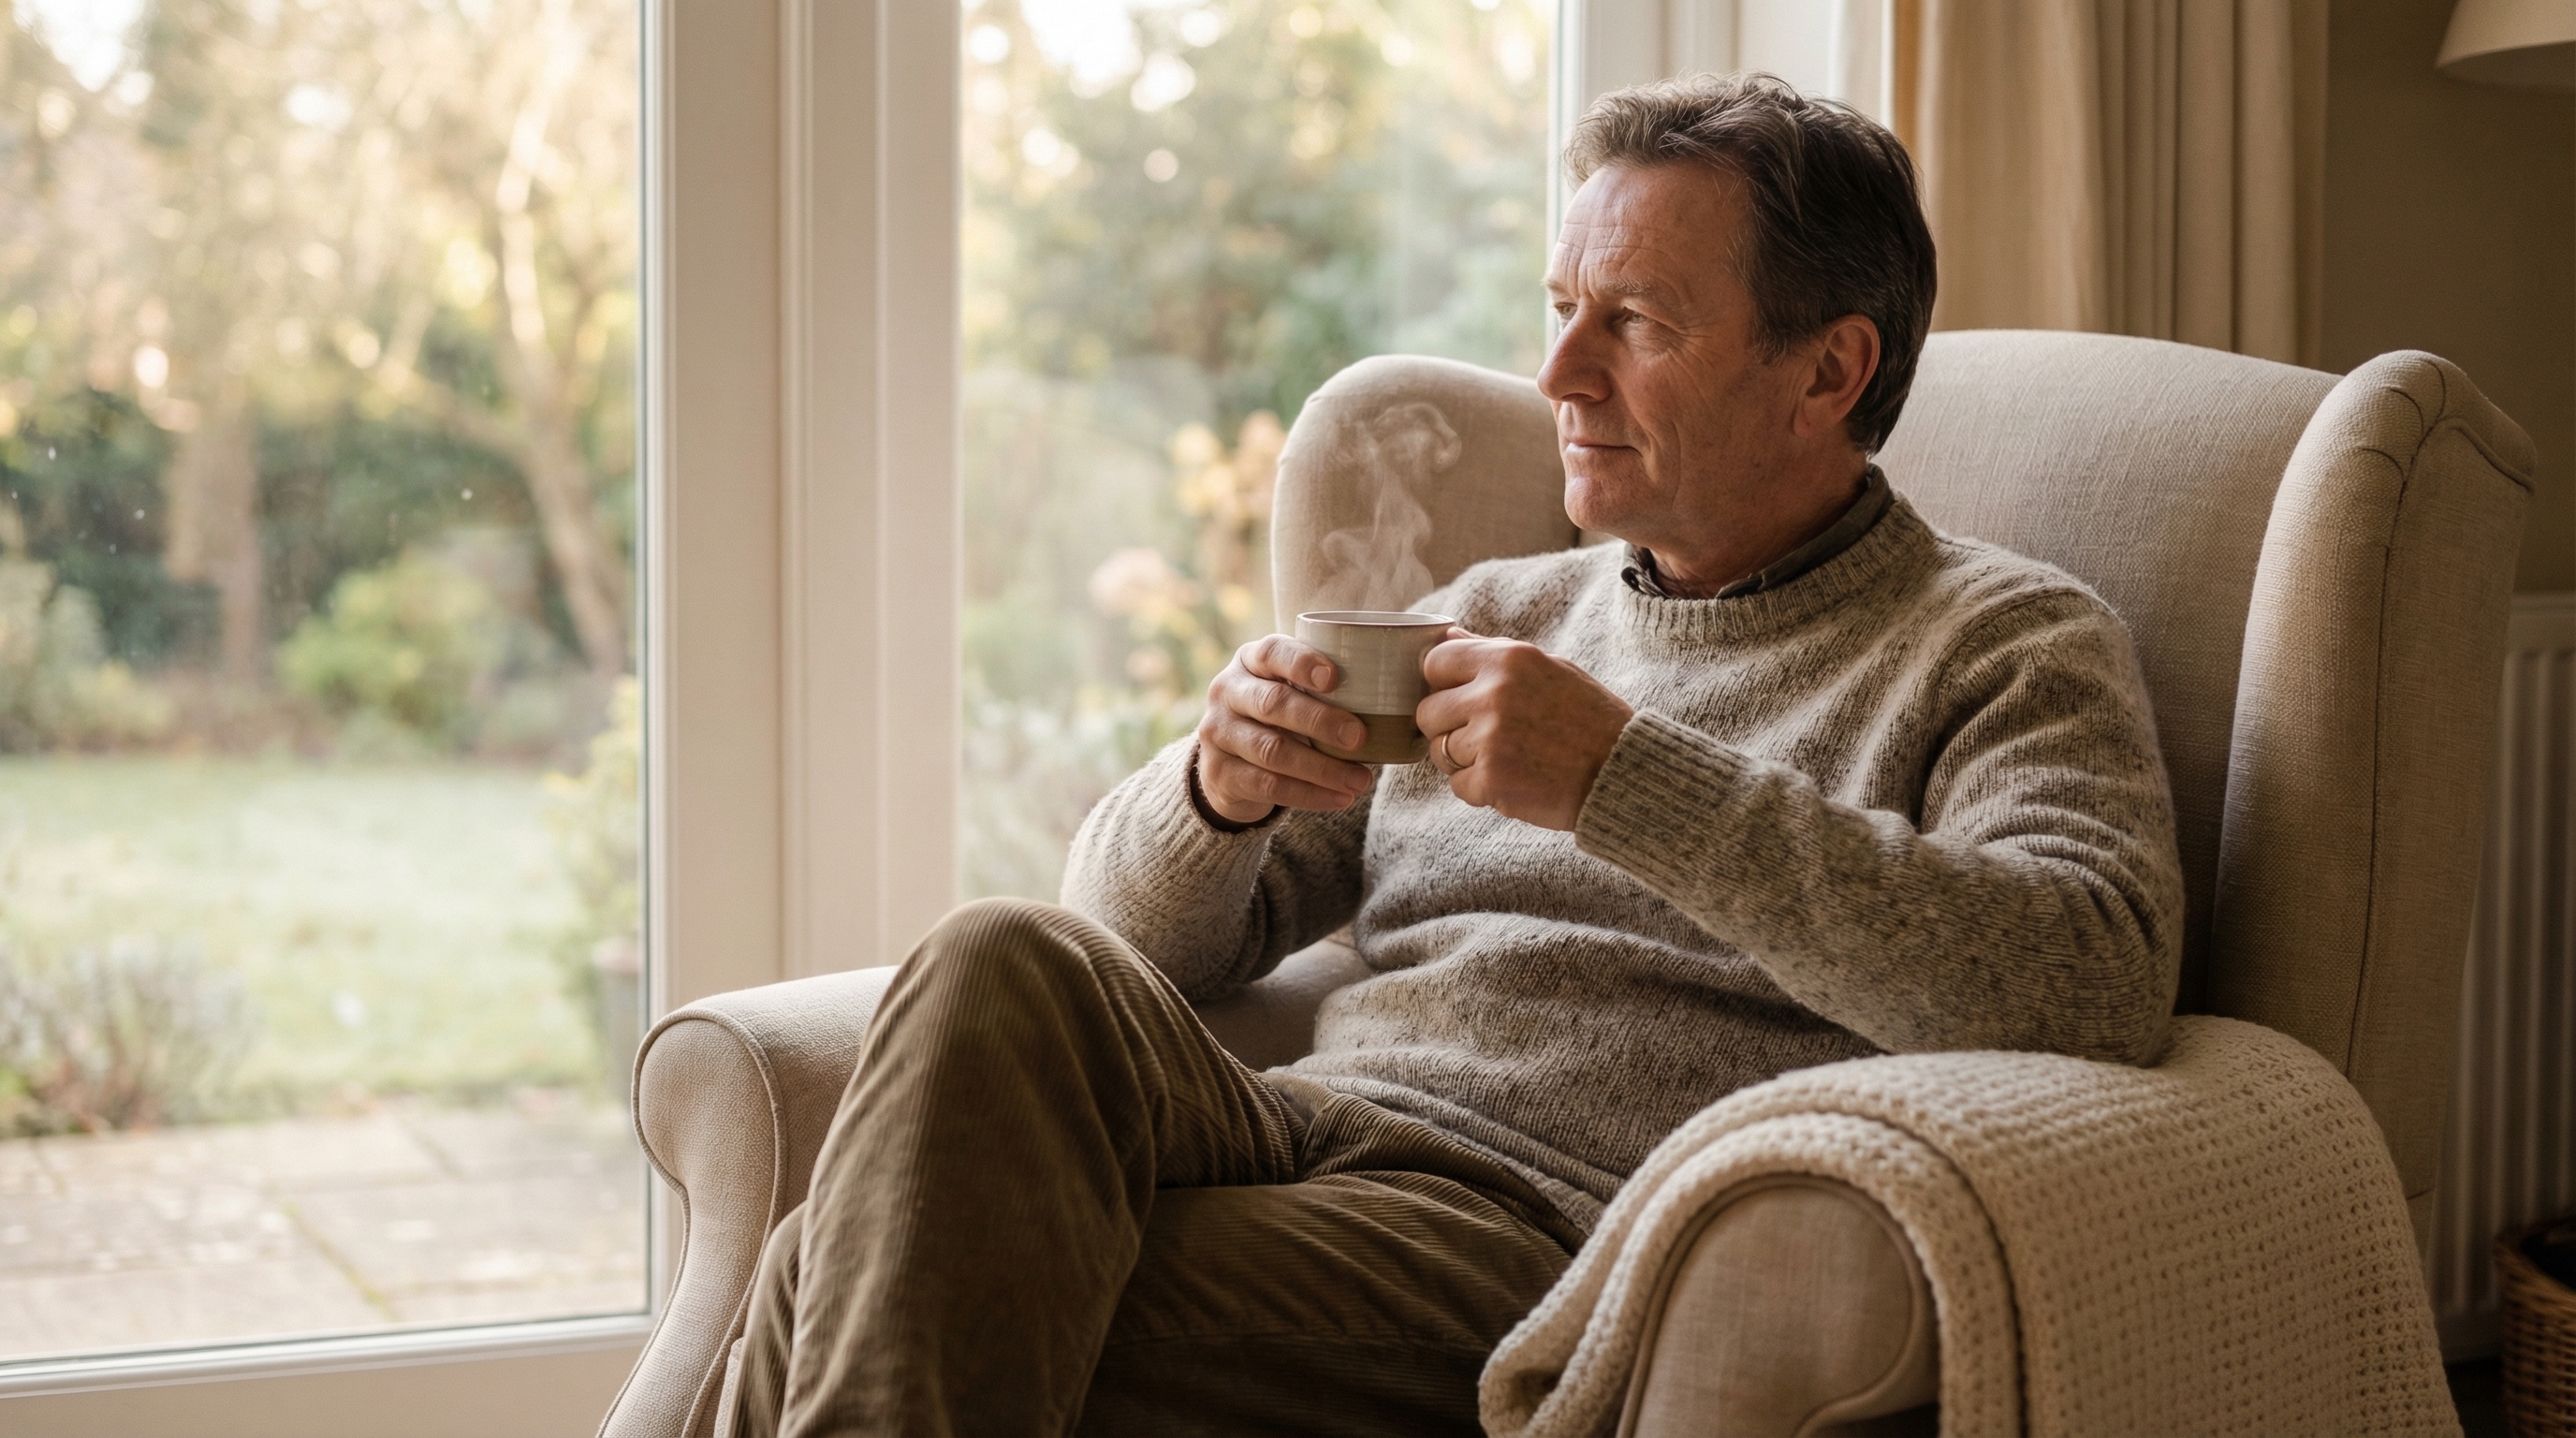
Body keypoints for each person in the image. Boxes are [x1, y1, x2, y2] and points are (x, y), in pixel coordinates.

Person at [726, 72, 2184, 1438]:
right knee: (1001, 956)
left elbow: (2091, 982)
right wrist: (1215, 795)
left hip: (1541, 1233)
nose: (1559, 372)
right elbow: (1144, 942)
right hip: (1301, 1135)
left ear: (1828, 371)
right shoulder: (1495, 614)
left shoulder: (2001, 644)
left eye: (1636, 322)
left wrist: (1623, 782)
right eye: (1560, 307)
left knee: (827, 1274)